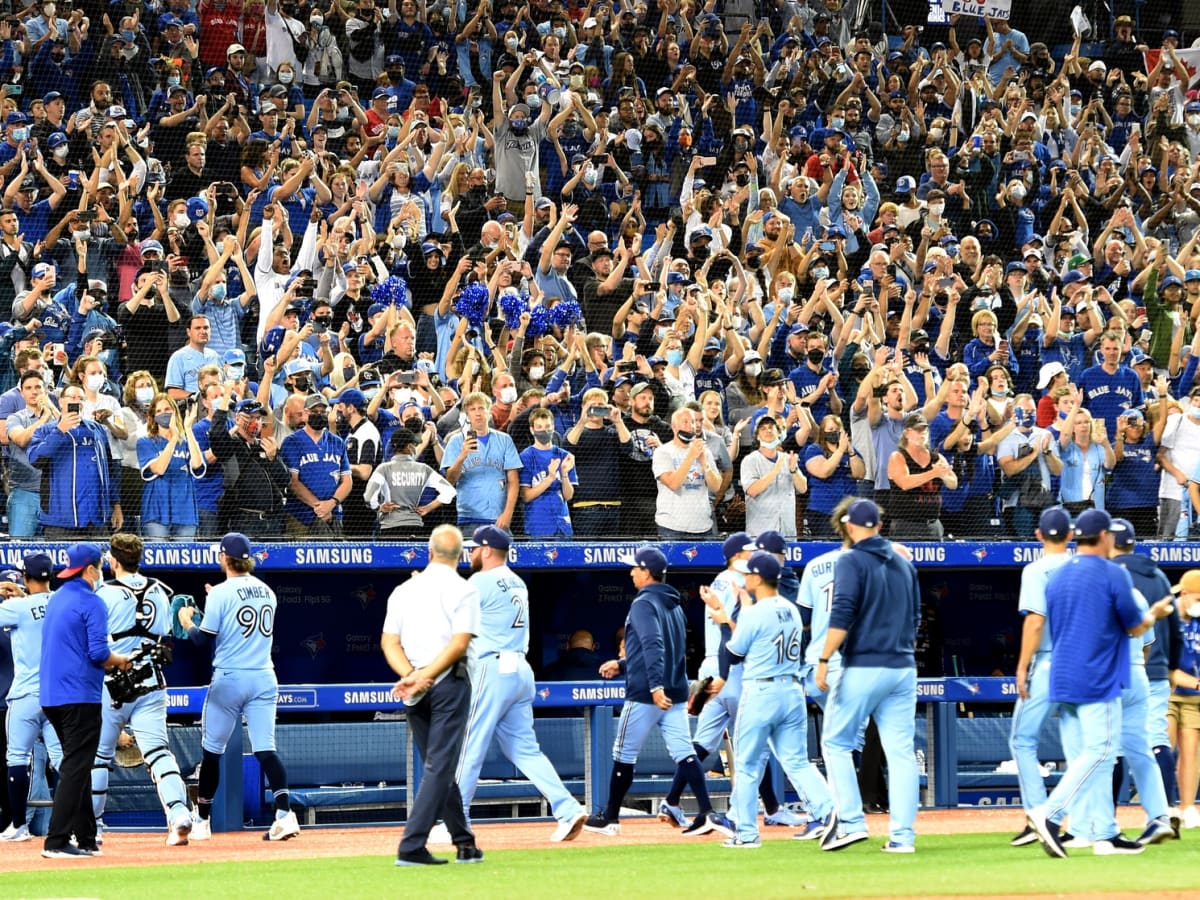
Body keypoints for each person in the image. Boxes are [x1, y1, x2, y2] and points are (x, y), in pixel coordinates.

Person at [1025, 509, 1175, 858]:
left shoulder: (1059, 574)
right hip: (1098, 674)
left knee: (1090, 754)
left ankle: (1106, 834)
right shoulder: (1112, 574)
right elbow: (1136, 628)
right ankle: (1049, 815)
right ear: (1105, 537)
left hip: (1062, 672)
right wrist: (1157, 614)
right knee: (1102, 750)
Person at [453, 525, 588, 842]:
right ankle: (567, 809)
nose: (471, 554)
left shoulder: (480, 581)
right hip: (520, 671)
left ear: (487, 551)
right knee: (524, 750)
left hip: (493, 667)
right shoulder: (517, 581)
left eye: (475, 548)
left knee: (469, 746)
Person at [586, 547, 732, 838]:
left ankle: (610, 817)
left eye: (635, 569)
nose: (631, 573)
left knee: (623, 754)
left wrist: (654, 686)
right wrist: (623, 663)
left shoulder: (643, 604)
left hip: (647, 693)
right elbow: (661, 649)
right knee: (685, 753)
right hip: (675, 691)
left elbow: (653, 645)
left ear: (647, 572)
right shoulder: (674, 605)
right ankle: (706, 812)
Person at [179, 533, 300, 843]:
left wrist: (186, 620)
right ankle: (284, 815)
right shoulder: (267, 591)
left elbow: (202, 640)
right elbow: (236, 619)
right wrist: (214, 599)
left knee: (212, 752)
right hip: (263, 677)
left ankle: (202, 822)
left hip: (230, 678)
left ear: (224, 557)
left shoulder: (220, 593)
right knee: (265, 749)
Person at [816, 499, 921, 853]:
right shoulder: (905, 564)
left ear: (848, 526)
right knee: (901, 753)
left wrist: (823, 657)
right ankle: (903, 838)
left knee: (835, 743)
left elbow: (843, 611)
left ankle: (850, 823)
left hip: (864, 665)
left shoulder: (851, 560)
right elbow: (917, 616)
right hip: (903, 667)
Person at [380, 524, 482, 867]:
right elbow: (459, 642)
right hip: (447, 684)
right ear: (461, 556)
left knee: (439, 765)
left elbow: (389, 643)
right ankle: (411, 846)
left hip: (416, 687)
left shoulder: (404, 589)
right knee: (439, 765)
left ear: (429, 552)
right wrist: (424, 675)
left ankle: (464, 842)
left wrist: (411, 675)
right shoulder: (463, 588)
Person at [722, 550, 835, 848]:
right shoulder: (791, 608)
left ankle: (746, 834)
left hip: (761, 691)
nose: (745, 577)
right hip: (793, 691)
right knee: (797, 761)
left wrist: (731, 614)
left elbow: (733, 653)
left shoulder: (755, 612)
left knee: (746, 766)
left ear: (758, 578)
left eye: (748, 573)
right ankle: (828, 813)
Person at [90, 534, 193, 846]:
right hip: (150, 681)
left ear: (115, 561)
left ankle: (91, 829)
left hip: (112, 683)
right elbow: (172, 631)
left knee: (98, 758)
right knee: (159, 752)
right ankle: (178, 816)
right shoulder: (160, 591)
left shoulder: (102, 593)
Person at [39, 543, 132, 860]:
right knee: (76, 768)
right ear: (90, 569)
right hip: (79, 696)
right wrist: (121, 660)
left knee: (76, 766)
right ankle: (56, 841)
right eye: (99, 566)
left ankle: (87, 838)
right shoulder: (92, 602)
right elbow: (99, 654)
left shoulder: (57, 598)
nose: (102, 571)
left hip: (52, 696)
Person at [1105, 519, 1176, 847]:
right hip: (1156, 670)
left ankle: (1106, 819)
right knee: (1155, 741)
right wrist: (1171, 666)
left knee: (1112, 748)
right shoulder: (1158, 575)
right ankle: (1164, 813)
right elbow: (1172, 625)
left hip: (1119, 671)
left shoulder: (1111, 575)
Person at [1008, 507, 1074, 847]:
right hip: (1082, 664)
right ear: (1071, 535)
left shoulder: (1036, 570)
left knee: (1021, 741)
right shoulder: (1082, 567)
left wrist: (1022, 666)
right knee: (1080, 747)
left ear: (1038, 535)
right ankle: (1078, 822)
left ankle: (1038, 816)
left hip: (1049, 664)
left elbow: (1035, 621)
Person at [0, 554, 62, 843]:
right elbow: (42, 605)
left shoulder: (17, 607)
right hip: (58, 694)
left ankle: (18, 826)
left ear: (25, 578)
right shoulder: (62, 602)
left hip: (25, 694)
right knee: (64, 760)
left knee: (16, 757)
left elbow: (26, 609)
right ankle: (80, 823)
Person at [442, 392, 522, 531]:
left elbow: (513, 481)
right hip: (469, 518)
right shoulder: (456, 441)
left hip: (499, 517)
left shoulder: (504, 439)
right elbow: (450, 480)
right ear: (467, 415)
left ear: (489, 412)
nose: (478, 413)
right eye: (473, 410)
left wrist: (508, 514)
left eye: (481, 408)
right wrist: (462, 455)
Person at [280, 394, 353, 537]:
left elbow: (347, 481)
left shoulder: (337, 442)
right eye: (314, 412)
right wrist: (319, 508)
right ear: (306, 413)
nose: (319, 415)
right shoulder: (292, 442)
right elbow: (293, 482)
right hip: (301, 517)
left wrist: (331, 503)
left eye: (322, 411)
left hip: (333, 516)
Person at [1169, 570, 1200, 831]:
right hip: (1166, 692)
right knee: (1165, 749)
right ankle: (1163, 808)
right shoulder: (1166, 616)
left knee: (1190, 751)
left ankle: (1187, 807)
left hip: (1193, 697)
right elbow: (1165, 666)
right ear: (1185, 594)